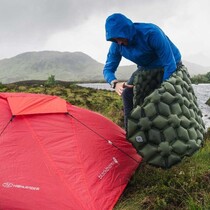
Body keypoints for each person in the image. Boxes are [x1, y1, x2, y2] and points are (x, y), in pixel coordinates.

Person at [103, 13, 182, 129]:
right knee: (127, 93)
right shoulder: (117, 45)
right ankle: (130, 133)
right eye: (114, 39)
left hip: (170, 64)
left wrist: (163, 89)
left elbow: (169, 64)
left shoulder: (151, 33)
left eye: (119, 37)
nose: (118, 42)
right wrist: (114, 83)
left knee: (164, 97)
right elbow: (108, 69)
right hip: (145, 68)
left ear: (127, 30)